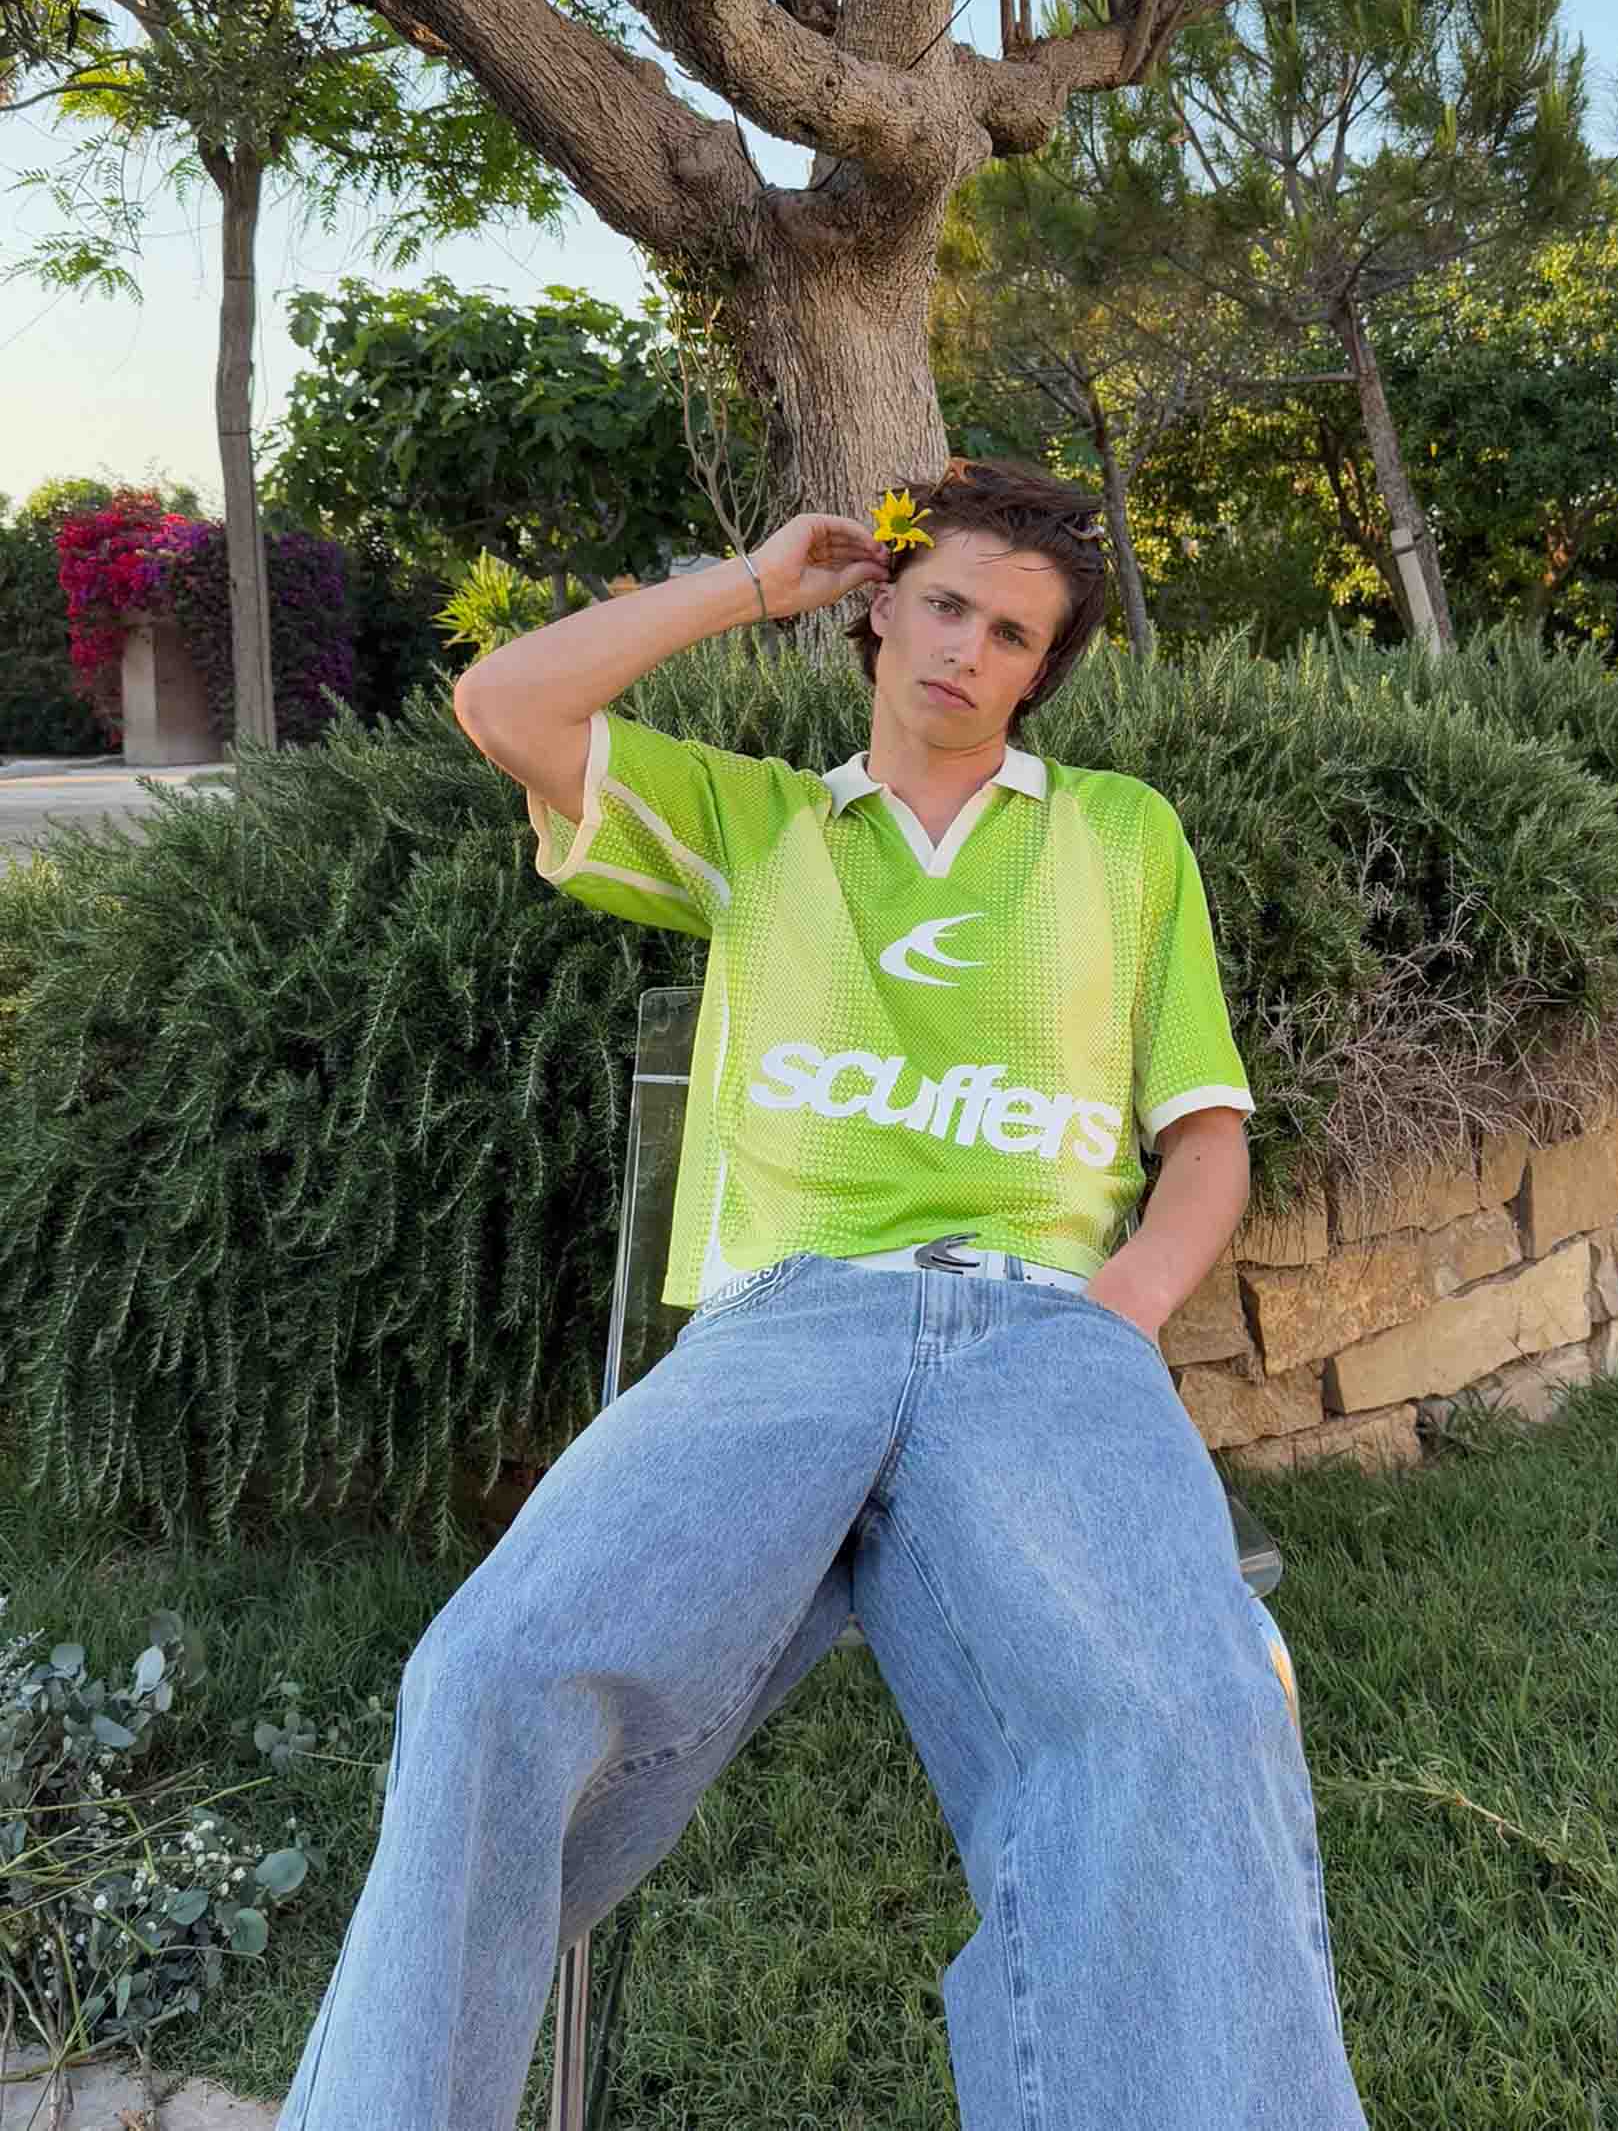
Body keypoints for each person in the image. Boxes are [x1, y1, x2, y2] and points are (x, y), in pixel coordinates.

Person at [274, 453, 1370, 2131]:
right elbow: (502, 703)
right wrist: (747, 584)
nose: (967, 648)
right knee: (487, 1674)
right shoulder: (758, 823)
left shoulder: (1123, 836)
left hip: (1042, 1330)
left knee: (1190, 1716)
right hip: (786, 1325)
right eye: (944, 603)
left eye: (1012, 632)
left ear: (1040, 670)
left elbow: (1206, 1141)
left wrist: (1115, 1314)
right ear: (880, 609)